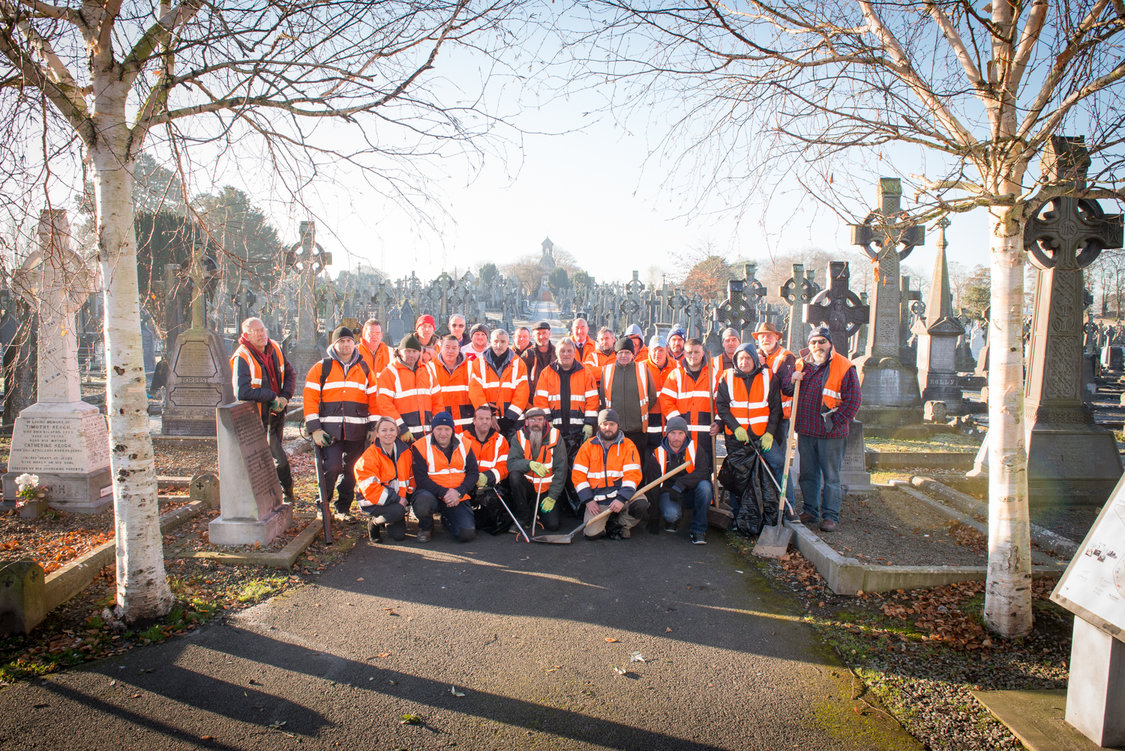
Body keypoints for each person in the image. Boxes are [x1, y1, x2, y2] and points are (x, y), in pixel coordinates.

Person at [786, 326, 862, 532]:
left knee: (831, 477)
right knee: (808, 474)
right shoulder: (801, 364)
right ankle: (811, 510)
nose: (817, 346)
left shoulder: (844, 365)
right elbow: (787, 388)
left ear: (830, 343)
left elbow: (854, 399)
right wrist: (792, 379)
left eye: (822, 341)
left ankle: (830, 516)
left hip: (831, 433)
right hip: (806, 430)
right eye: (813, 342)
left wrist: (835, 421)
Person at [304, 325, 378, 519]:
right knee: (332, 467)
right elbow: (310, 399)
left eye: (349, 341)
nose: (346, 345)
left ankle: (343, 508)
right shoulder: (322, 367)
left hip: (357, 430)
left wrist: (372, 427)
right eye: (342, 341)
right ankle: (323, 504)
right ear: (334, 344)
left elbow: (374, 400)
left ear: (354, 343)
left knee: (352, 470)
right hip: (330, 431)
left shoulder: (364, 368)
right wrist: (315, 430)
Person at [716, 342, 782, 529]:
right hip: (738, 438)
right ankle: (740, 516)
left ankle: (782, 505)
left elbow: (775, 408)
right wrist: (735, 427)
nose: (743, 362)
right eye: (740, 358)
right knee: (740, 476)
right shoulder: (727, 377)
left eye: (747, 358)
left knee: (777, 463)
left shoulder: (768, 377)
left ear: (754, 359)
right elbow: (722, 406)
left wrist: (769, 433)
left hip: (762, 437)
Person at [231, 317, 297, 502]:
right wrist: (271, 396)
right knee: (277, 457)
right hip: (257, 417)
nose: (261, 334)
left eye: (263, 330)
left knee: (273, 455)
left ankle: (275, 491)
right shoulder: (242, 356)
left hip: (277, 413)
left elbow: (290, 372)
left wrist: (284, 396)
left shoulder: (275, 347)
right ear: (246, 335)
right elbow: (242, 391)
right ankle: (287, 491)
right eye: (256, 331)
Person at [572, 408, 647, 539]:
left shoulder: (628, 445)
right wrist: (588, 500)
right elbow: (578, 475)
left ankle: (621, 525)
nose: (608, 428)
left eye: (612, 424)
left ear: (618, 426)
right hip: (598, 501)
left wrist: (622, 498)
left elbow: (633, 475)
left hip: (621, 496)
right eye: (604, 424)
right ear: (599, 426)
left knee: (641, 503)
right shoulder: (587, 446)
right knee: (591, 534)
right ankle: (609, 523)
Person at [409, 412, 479, 543]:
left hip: (457, 495)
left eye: (447, 429)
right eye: (439, 429)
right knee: (423, 502)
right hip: (431, 493)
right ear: (433, 430)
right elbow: (421, 479)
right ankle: (426, 527)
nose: (443, 433)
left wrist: (458, 492)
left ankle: (447, 519)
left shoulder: (465, 444)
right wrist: (445, 492)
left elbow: (473, 473)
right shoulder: (420, 446)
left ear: (452, 430)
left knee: (466, 534)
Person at [646, 416, 711, 544]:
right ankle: (673, 520)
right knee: (671, 514)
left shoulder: (696, 448)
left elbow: (703, 472)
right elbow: (652, 487)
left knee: (706, 487)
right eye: (673, 433)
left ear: (685, 434)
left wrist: (681, 484)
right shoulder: (657, 454)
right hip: (669, 493)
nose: (677, 438)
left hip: (691, 491)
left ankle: (698, 530)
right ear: (666, 434)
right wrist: (654, 516)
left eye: (680, 433)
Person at [753, 321, 797, 502]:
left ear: (777, 337)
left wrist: (764, 366)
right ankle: (767, 499)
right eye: (762, 336)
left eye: (769, 335)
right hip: (759, 418)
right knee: (762, 461)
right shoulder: (755, 356)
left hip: (779, 419)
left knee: (778, 462)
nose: (765, 339)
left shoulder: (786, 357)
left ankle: (787, 503)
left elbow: (782, 386)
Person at [659, 337, 721, 465]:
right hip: (682, 434)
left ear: (702, 353)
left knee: (704, 468)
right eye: (689, 352)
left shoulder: (714, 375)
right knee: (682, 468)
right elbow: (665, 400)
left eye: (696, 352)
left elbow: (721, 403)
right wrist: (677, 420)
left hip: (705, 434)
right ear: (684, 354)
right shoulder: (676, 375)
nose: (693, 355)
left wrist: (719, 422)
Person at [506, 407, 568, 532]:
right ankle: (523, 516)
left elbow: (561, 469)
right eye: (532, 419)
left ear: (545, 421)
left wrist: (552, 496)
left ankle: (538, 511)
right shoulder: (518, 437)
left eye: (539, 420)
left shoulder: (555, 436)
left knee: (553, 525)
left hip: (547, 490)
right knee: (514, 476)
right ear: (526, 422)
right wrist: (529, 464)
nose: (536, 423)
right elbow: (511, 464)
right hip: (527, 489)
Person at [353, 416, 413, 542]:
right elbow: (371, 491)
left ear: (397, 432)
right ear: (377, 433)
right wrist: (397, 499)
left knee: (398, 535)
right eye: (384, 430)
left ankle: (387, 519)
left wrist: (408, 496)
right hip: (372, 501)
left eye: (392, 430)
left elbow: (411, 478)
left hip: (395, 501)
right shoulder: (368, 457)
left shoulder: (405, 452)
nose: (388, 433)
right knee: (397, 512)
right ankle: (374, 523)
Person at [468, 328, 530, 437]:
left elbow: (522, 394)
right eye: (495, 341)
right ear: (490, 343)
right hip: (486, 422)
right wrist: (487, 416)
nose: (499, 345)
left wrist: (509, 418)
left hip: (513, 422)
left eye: (502, 342)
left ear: (508, 343)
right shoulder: (478, 363)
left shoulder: (519, 363)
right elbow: (475, 392)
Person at [601, 337, 658, 453]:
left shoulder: (643, 369)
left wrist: (639, 412)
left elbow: (652, 396)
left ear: (633, 354)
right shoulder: (607, 371)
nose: (624, 356)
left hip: (638, 430)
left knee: (637, 464)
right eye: (621, 353)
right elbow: (603, 397)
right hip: (615, 431)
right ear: (616, 354)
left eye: (627, 352)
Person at [376, 334, 435, 443]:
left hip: (427, 434)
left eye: (414, 351)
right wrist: (401, 428)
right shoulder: (389, 373)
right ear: (399, 351)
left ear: (419, 353)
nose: (411, 355)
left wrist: (437, 426)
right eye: (407, 351)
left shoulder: (428, 371)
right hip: (402, 436)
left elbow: (437, 401)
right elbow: (384, 403)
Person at [431, 334, 473, 432]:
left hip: (468, 426)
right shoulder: (430, 368)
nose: (450, 351)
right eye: (447, 347)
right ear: (441, 348)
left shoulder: (471, 366)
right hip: (442, 426)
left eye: (454, 348)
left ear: (459, 349)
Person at [642, 334, 675, 440]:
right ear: (649, 351)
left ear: (667, 350)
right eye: (654, 350)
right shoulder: (640, 368)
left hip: (671, 415)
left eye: (660, 350)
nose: (657, 354)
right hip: (650, 416)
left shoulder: (677, 367)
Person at [521, 320, 556, 392]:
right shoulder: (527, 355)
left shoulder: (557, 353)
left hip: (554, 397)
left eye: (544, 333)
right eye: (538, 334)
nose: (541, 336)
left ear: (549, 334)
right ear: (533, 336)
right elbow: (523, 380)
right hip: (533, 398)